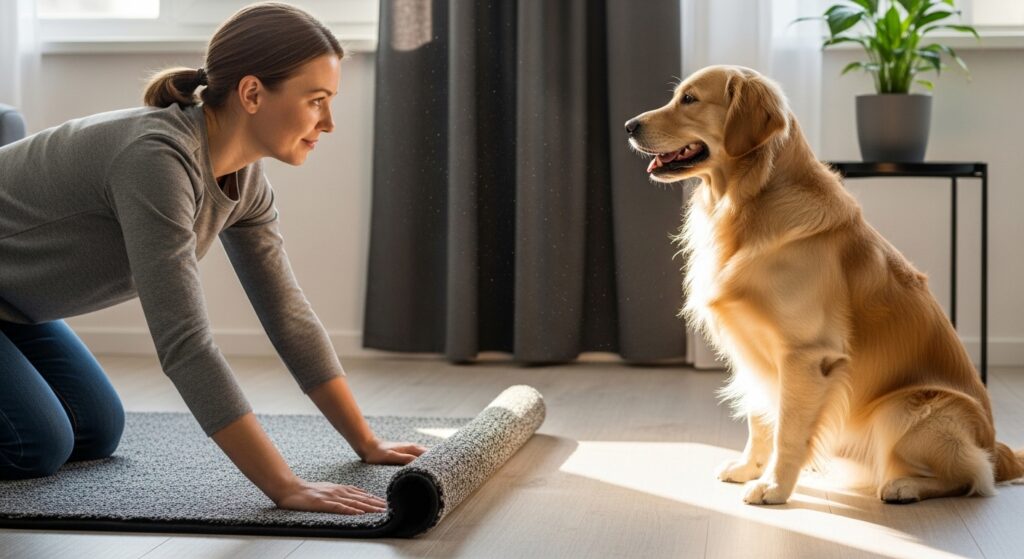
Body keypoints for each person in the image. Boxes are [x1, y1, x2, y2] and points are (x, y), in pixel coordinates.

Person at [0, 2, 425, 515]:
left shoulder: (244, 180)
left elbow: (287, 316)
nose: (329, 122)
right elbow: (185, 345)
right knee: (36, 445)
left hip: (16, 307)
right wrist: (284, 486)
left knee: (95, 431)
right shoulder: (155, 160)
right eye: (316, 101)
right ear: (251, 93)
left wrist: (367, 443)